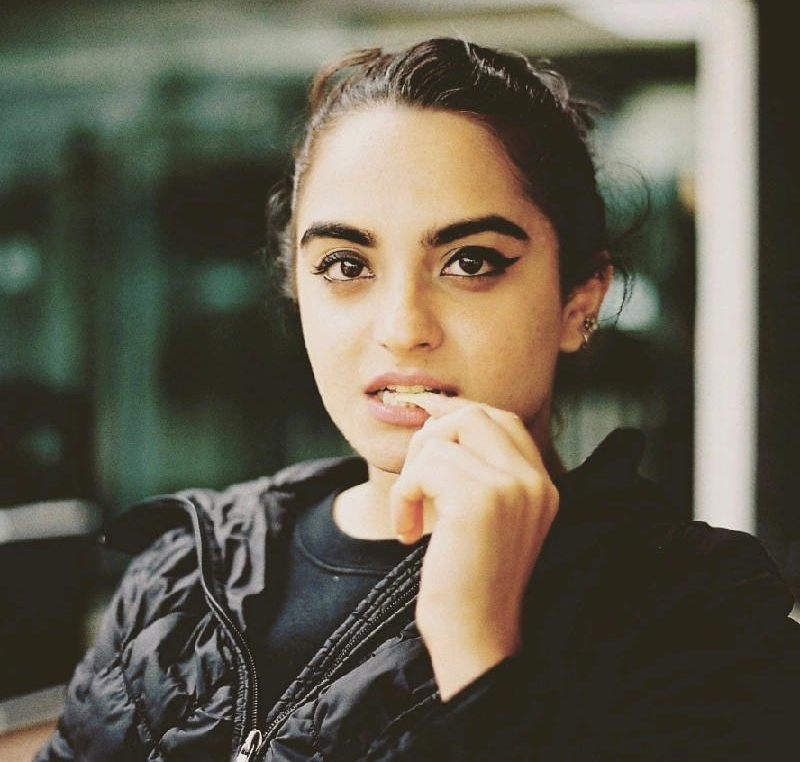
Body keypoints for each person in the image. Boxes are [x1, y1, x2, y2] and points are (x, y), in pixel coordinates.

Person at [34, 38, 799, 762]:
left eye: (470, 262)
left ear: (578, 299)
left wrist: (476, 649)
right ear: (295, 287)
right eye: (344, 264)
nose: (402, 329)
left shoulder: (697, 613)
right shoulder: (183, 571)